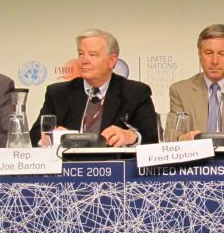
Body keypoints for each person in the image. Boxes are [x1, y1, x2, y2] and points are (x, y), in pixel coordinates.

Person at [29, 29, 158, 146]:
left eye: (92, 55)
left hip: (114, 163)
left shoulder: (135, 93)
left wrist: (131, 136)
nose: (84, 60)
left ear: (112, 61)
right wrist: (50, 137)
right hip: (69, 162)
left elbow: (152, 137)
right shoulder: (58, 93)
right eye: (81, 54)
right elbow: (35, 135)